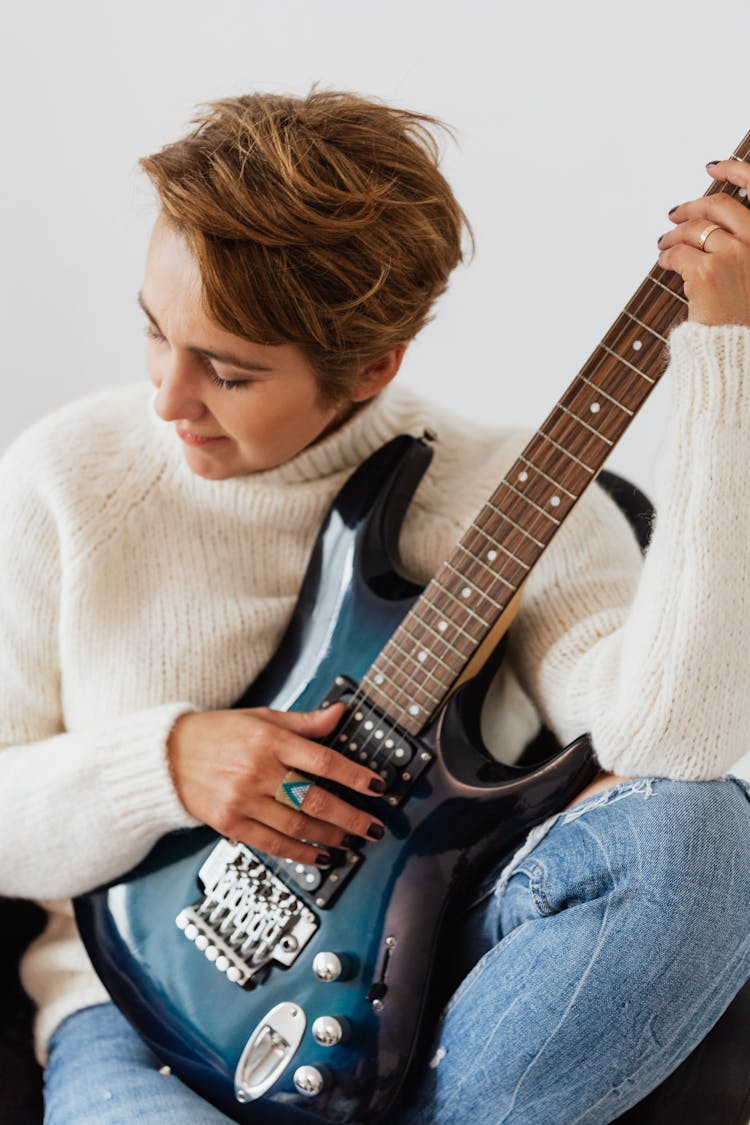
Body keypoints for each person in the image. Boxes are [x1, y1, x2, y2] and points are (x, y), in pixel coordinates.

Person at [1, 89, 749, 1125]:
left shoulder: (507, 491)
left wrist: (726, 357)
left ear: (371, 370)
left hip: (435, 1006)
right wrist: (168, 765)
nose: (168, 399)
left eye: (227, 371)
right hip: (135, 1020)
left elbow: (680, 737)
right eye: (154, 332)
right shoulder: (62, 483)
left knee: (709, 834)